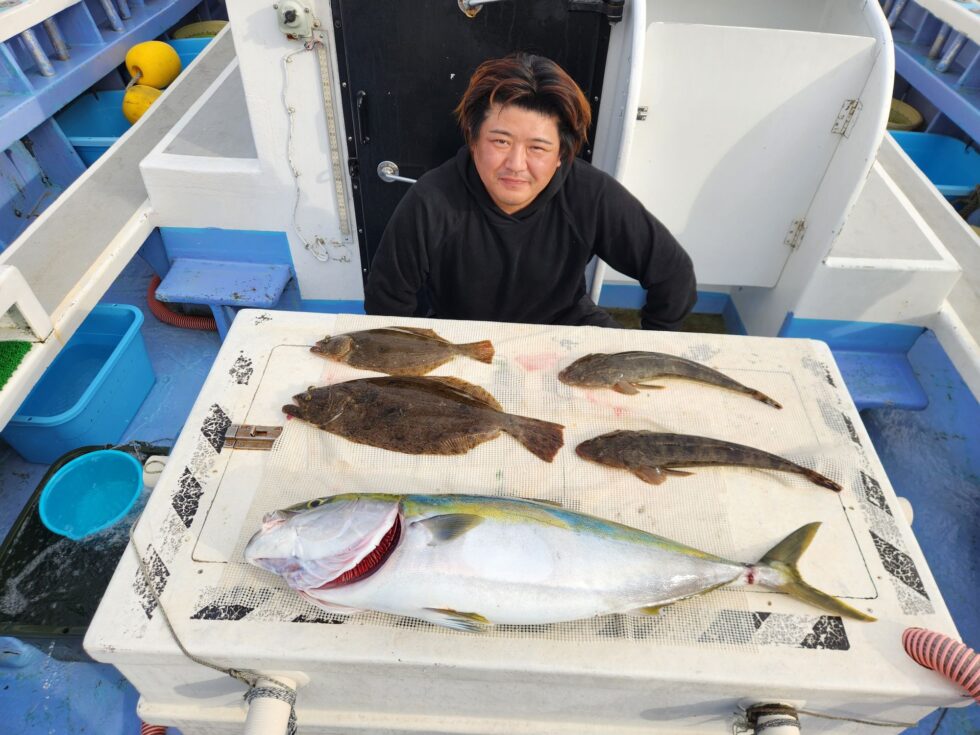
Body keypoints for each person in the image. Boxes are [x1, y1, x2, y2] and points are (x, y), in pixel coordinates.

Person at [364, 53, 697, 330]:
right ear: (473, 139)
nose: (516, 164)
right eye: (501, 141)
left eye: (537, 147)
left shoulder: (589, 193)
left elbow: (673, 273)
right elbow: (386, 302)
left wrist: (650, 350)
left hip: (566, 327)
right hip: (462, 335)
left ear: (561, 156)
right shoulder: (431, 200)